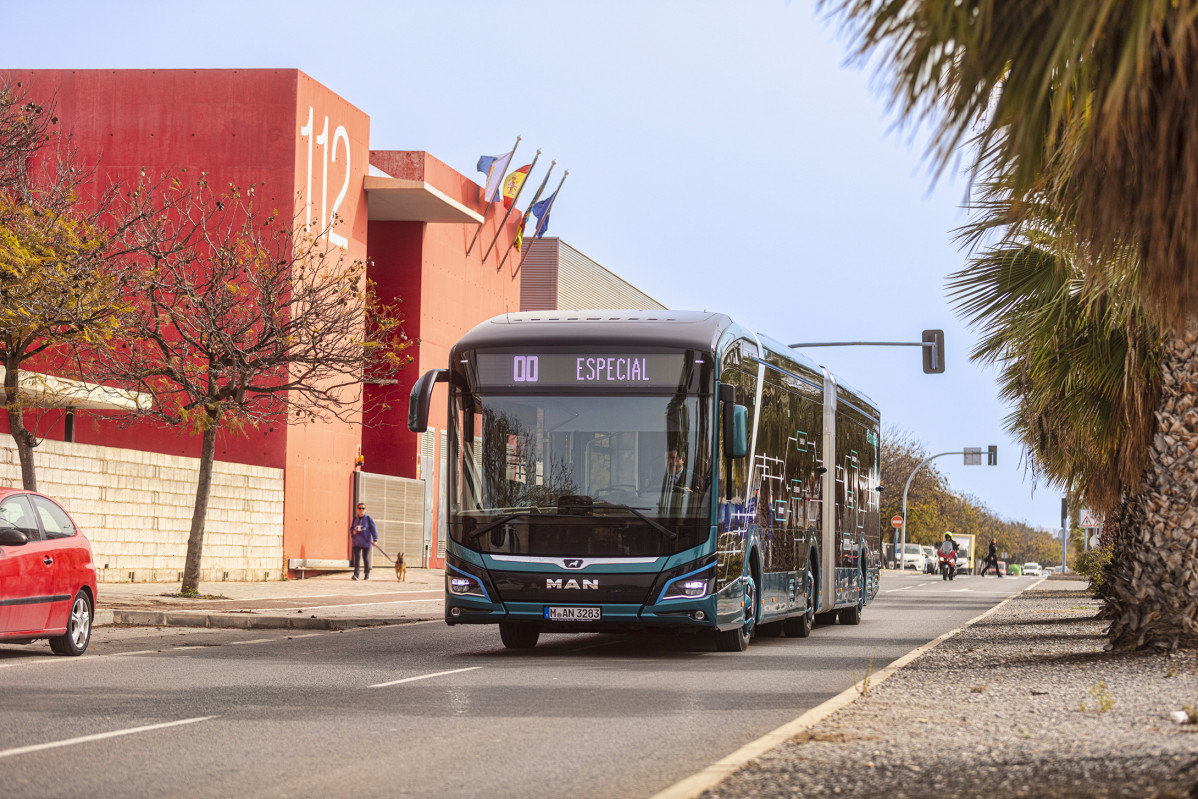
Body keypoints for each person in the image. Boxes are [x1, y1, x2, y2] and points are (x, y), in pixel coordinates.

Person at [350, 502, 378, 580]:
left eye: (363, 508)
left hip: (366, 542)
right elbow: (351, 528)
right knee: (357, 559)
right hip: (357, 542)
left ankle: (366, 574)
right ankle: (356, 575)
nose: (361, 510)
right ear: (357, 509)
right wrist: (353, 532)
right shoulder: (355, 519)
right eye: (360, 508)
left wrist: (375, 539)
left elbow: (373, 529)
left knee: (365, 558)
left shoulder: (368, 518)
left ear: (365, 510)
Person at [658, 447, 688, 517]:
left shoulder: (694, 479)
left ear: (683, 459)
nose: (670, 462)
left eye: (673, 458)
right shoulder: (657, 479)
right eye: (667, 459)